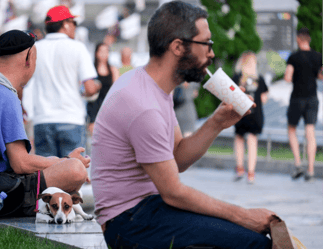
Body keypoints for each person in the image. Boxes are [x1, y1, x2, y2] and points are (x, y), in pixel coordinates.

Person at [90, 2, 276, 248]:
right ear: (178, 47)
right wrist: (244, 215)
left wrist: (216, 122)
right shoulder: (143, 104)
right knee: (255, 243)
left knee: (247, 236)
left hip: (146, 209)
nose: (211, 53)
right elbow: (173, 192)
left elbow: (176, 158)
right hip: (129, 222)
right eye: (206, 43)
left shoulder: (153, 88)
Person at [0, 30, 90, 222]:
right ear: (29, 58)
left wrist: (60, 160)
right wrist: (65, 162)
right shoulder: (4, 95)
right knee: (75, 170)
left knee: (64, 163)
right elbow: (21, 163)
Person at [31, 5, 99, 158]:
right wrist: (96, 89)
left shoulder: (35, 48)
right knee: (73, 175)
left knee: (47, 176)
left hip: (42, 119)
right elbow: (89, 88)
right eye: (74, 23)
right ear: (66, 24)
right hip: (70, 117)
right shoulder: (77, 48)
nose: (75, 27)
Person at [284, 27, 323, 182]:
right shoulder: (318, 56)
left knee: (291, 129)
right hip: (312, 98)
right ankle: (311, 170)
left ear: (298, 39)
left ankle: (298, 164)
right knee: (310, 132)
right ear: (309, 39)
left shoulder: (294, 57)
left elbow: (287, 77)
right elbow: (321, 76)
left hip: (297, 98)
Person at [232, 52, 269, 184]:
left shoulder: (237, 77)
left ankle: (240, 169)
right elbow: (264, 98)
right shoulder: (259, 78)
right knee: (252, 142)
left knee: (239, 139)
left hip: (240, 114)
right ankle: (251, 173)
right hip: (255, 114)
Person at [86, 42, 119, 135]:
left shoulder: (113, 70)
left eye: (106, 51)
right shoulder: (90, 69)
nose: (104, 54)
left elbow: (116, 91)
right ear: (96, 53)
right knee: (93, 138)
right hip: (93, 107)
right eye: (101, 51)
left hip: (108, 108)